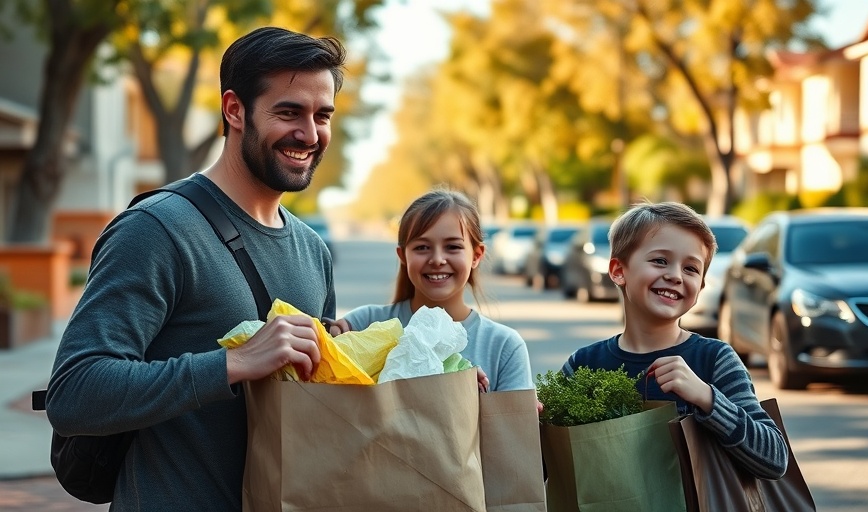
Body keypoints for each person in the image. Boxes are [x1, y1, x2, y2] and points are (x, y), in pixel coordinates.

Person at [45, 27, 345, 510]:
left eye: (322, 115)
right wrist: (233, 363)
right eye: (289, 112)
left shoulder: (313, 250)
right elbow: (75, 392)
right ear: (234, 110)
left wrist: (430, 377)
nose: (309, 134)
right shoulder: (157, 229)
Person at [560, 201, 788, 480]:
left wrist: (707, 398)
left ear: (701, 286)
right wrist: (533, 418)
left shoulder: (715, 359)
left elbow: (775, 459)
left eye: (691, 269)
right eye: (660, 261)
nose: (675, 276)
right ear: (619, 271)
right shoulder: (584, 365)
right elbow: (544, 459)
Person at [330, 189, 535, 392]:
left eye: (453, 247)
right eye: (422, 247)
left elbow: (512, 423)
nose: (437, 259)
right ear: (403, 256)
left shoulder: (503, 347)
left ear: (476, 255)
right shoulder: (363, 324)